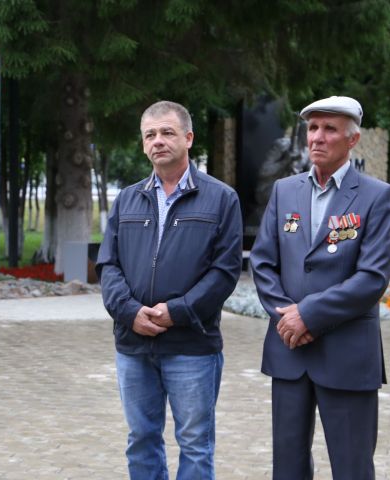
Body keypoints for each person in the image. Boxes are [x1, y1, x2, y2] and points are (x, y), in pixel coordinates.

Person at [250, 96, 390, 479]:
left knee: (351, 468)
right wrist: (288, 317)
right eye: (312, 128)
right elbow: (263, 262)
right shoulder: (285, 191)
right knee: (288, 467)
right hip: (289, 351)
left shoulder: (377, 196)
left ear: (352, 140)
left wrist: (308, 315)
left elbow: (372, 278)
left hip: (346, 355)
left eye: (329, 129)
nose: (317, 137)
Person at [96, 100, 243, 479]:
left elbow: (224, 273)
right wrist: (130, 312)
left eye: (167, 132)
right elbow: (108, 266)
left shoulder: (221, 198)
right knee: (141, 438)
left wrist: (176, 311)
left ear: (189, 138)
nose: (158, 141)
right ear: (143, 144)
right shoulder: (127, 199)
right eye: (150, 135)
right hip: (134, 344)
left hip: (192, 345)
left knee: (195, 443)